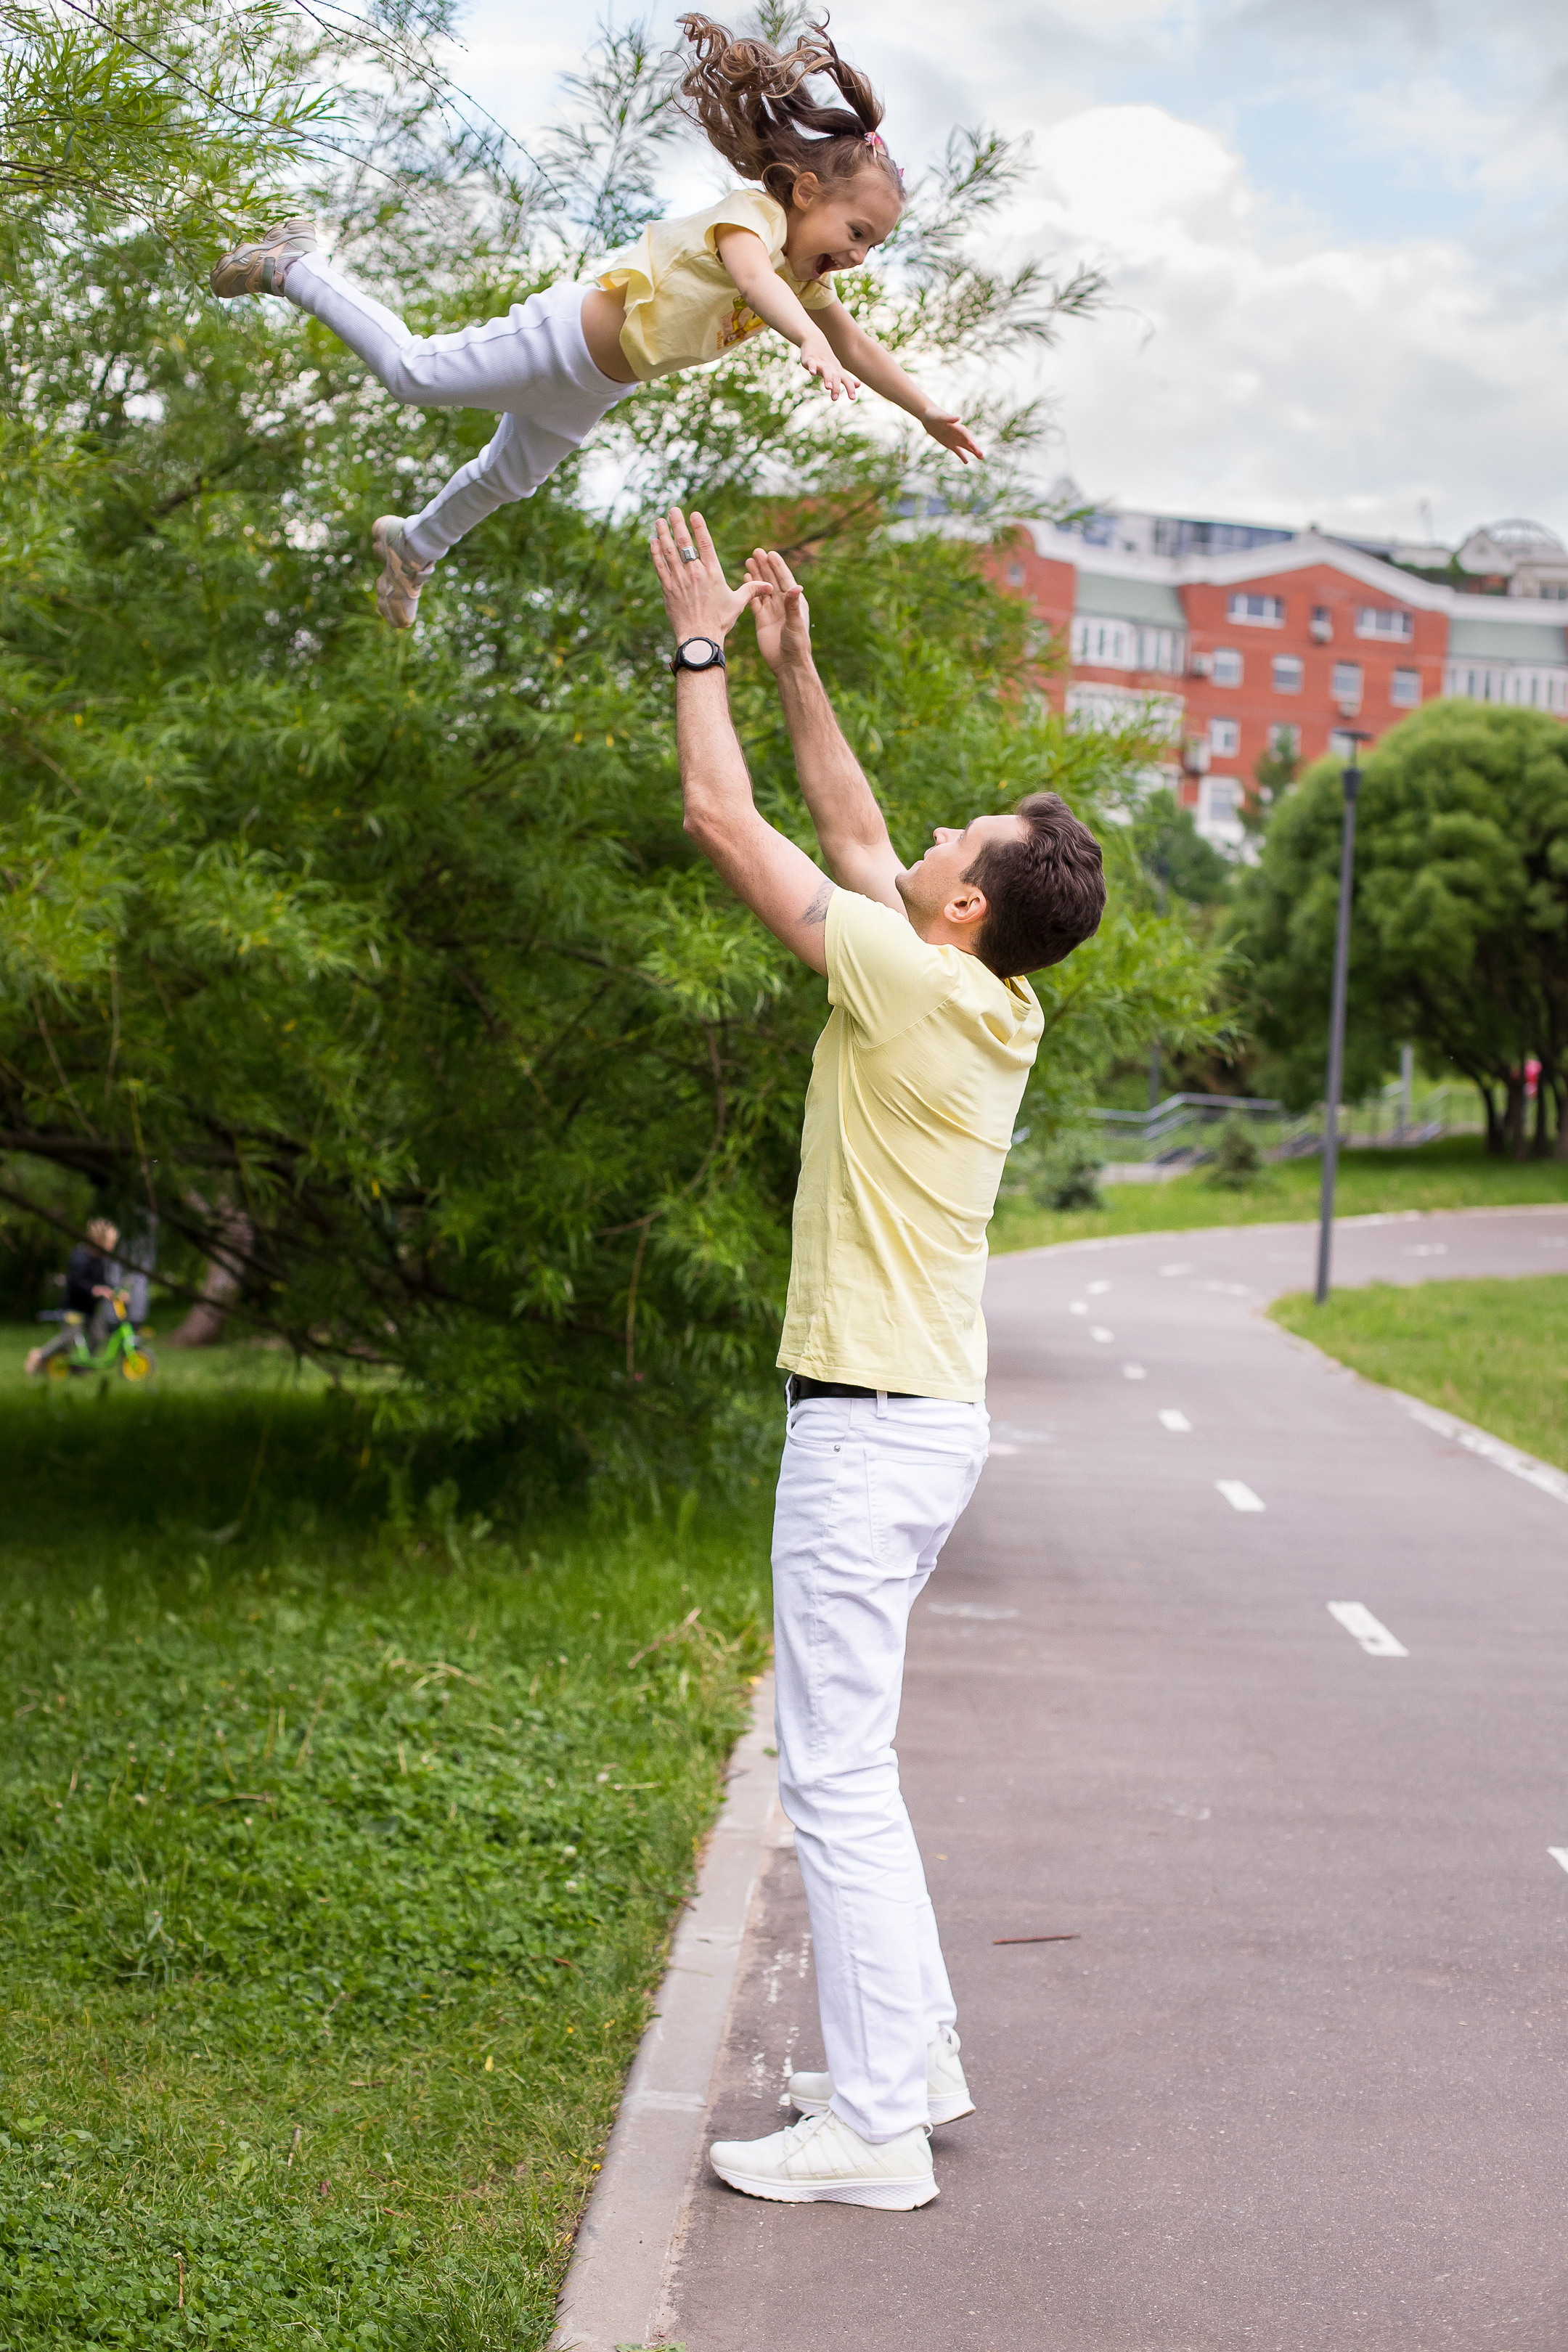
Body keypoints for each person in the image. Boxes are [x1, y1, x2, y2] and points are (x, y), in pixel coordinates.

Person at [646, 507, 1106, 2210]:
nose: (913, 831)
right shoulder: (985, 991)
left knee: (828, 1768)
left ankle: (871, 2135)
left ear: (963, 899)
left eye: (949, 836)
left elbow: (727, 818)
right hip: (922, 1426)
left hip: (865, 1433)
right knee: (858, 1760)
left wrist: (700, 648)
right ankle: (901, 2061)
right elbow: (845, 823)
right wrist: (796, 660)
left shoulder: (907, 987)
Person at [209, 15, 982, 629]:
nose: (858, 257)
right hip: (561, 337)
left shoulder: (803, 279)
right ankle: (291, 266)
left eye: (873, 246)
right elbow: (753, 279)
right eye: (857, 235)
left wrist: (924, 410)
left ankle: (412, 547)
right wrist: (808, 337)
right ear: (807, 193)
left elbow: (856, 341)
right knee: (414, 375)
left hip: (596, 385)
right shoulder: (754, 219)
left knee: (507, 479)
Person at [25, 1218, 121, 1377]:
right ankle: (39, 1356)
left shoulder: (100, 1260)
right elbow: (76, 1282)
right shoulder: (81, 1257)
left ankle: (82, 1366)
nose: (112, 1247)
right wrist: (94, 1290)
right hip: (73, 1307)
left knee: (99, 1334)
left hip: (90, 1309)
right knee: (69, 1336)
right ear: (99, 1240)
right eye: (110, 1242)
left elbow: (103, 1281)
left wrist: (115, 1292)